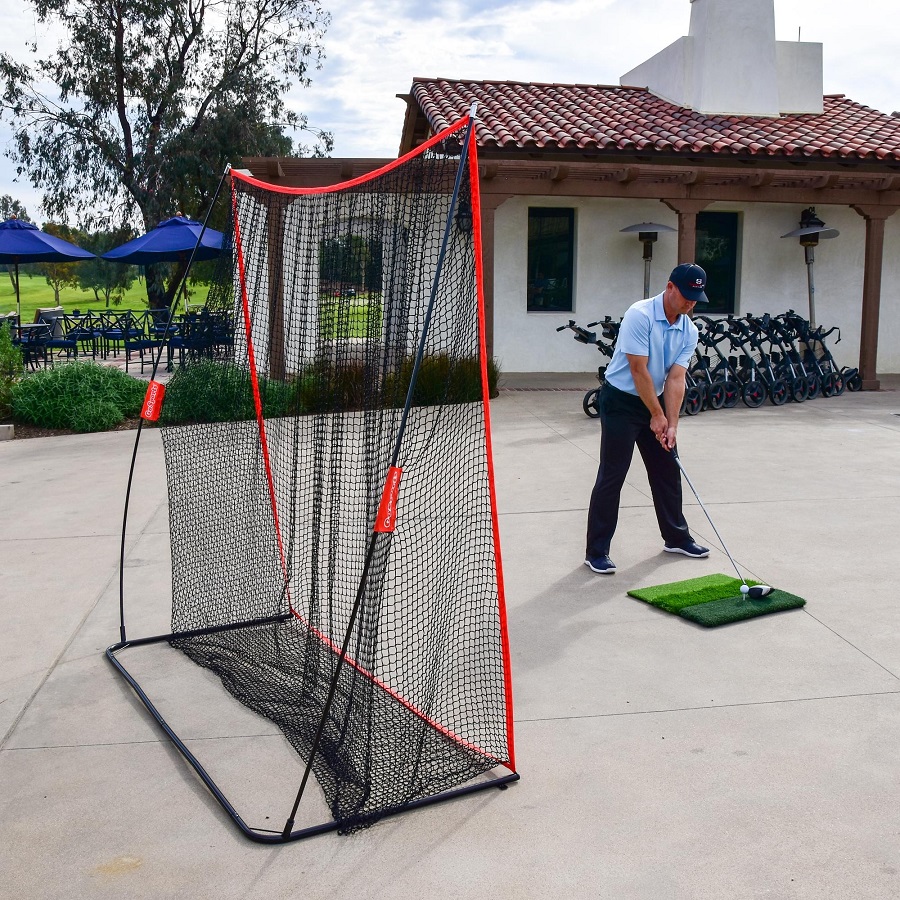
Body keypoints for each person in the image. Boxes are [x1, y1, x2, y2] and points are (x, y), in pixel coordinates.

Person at [584, 263, 711, 574]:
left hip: (653, 400)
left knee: (668, 468)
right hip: (621, 401)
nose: (691, 303)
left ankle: (676, 538)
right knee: (613, 474)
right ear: (670, 287)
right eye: (686, 295)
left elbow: (676, 378)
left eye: (696, 297)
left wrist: (672, 424)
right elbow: (638, 370)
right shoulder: (639, 315)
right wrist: (656, 415)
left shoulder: (689, 330)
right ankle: (596, 552)